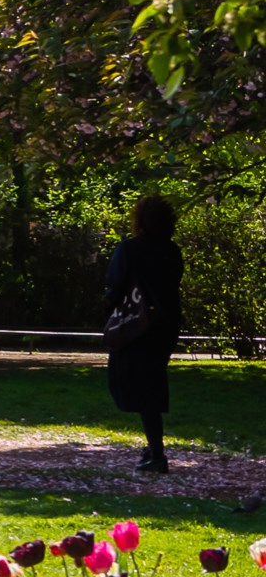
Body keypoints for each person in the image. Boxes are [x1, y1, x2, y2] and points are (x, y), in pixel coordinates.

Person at [107, 192, 185, 474]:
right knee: (152, 381)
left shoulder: (129, 249)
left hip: (137, 325)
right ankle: (154, 448)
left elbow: (115, 286)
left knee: (139, 386)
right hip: (166, 324)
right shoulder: (171, 251)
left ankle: (156, 452)